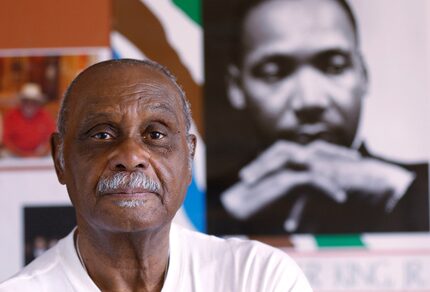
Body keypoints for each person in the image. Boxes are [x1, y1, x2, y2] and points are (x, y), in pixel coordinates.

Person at [0, 59, 312, 291]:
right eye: (102, 135)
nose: (131, 157)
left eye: (156, 134)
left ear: (188, 157)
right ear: (61, 159)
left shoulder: (257, 278)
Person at [208, 0, 429, 234]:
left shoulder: (417, 189)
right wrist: (223, 217)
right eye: (274, 73)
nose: (310, 100)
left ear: (364, 75)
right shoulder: (199, 204)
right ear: (236, 87)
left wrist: (409, 197)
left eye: (334, 67)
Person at [2, 83, 56, 157]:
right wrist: (22, 155)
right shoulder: (10, 116)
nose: (29, 104)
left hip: (40, 154)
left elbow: (52, 140)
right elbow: (6, 140)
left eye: (33, 101)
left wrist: (39, 154)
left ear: (38, 103)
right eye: (26, 101)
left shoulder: (46, 116)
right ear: (21, 102)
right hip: (14, 154)